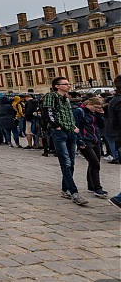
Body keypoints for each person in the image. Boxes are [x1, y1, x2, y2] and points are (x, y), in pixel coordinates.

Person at [42, 77, 88, 206]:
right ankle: (74, 192)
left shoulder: (66, 98)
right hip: (59, 131)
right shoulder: (51, 96)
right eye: (65, 84)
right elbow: (48, 112)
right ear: (57, 86)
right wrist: (56, 125)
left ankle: (65, 189)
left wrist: (73, 126)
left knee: (71, 162)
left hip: (70, 131)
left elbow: (68, 114)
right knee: (66, 162)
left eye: (68, 83)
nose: (69, 85)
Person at [75, 97, 108, 198]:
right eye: (96, 107)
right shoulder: (79, 111)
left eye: (99, 107)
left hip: (95, 139)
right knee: (95, 164)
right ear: (89, 104)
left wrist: (100, 114)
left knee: (94, 163)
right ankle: (98, 188)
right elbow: (76, 126)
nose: (97, 109)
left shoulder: (94, 113)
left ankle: (91, 185)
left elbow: (101, 126)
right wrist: (79, 140)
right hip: (85, 140)